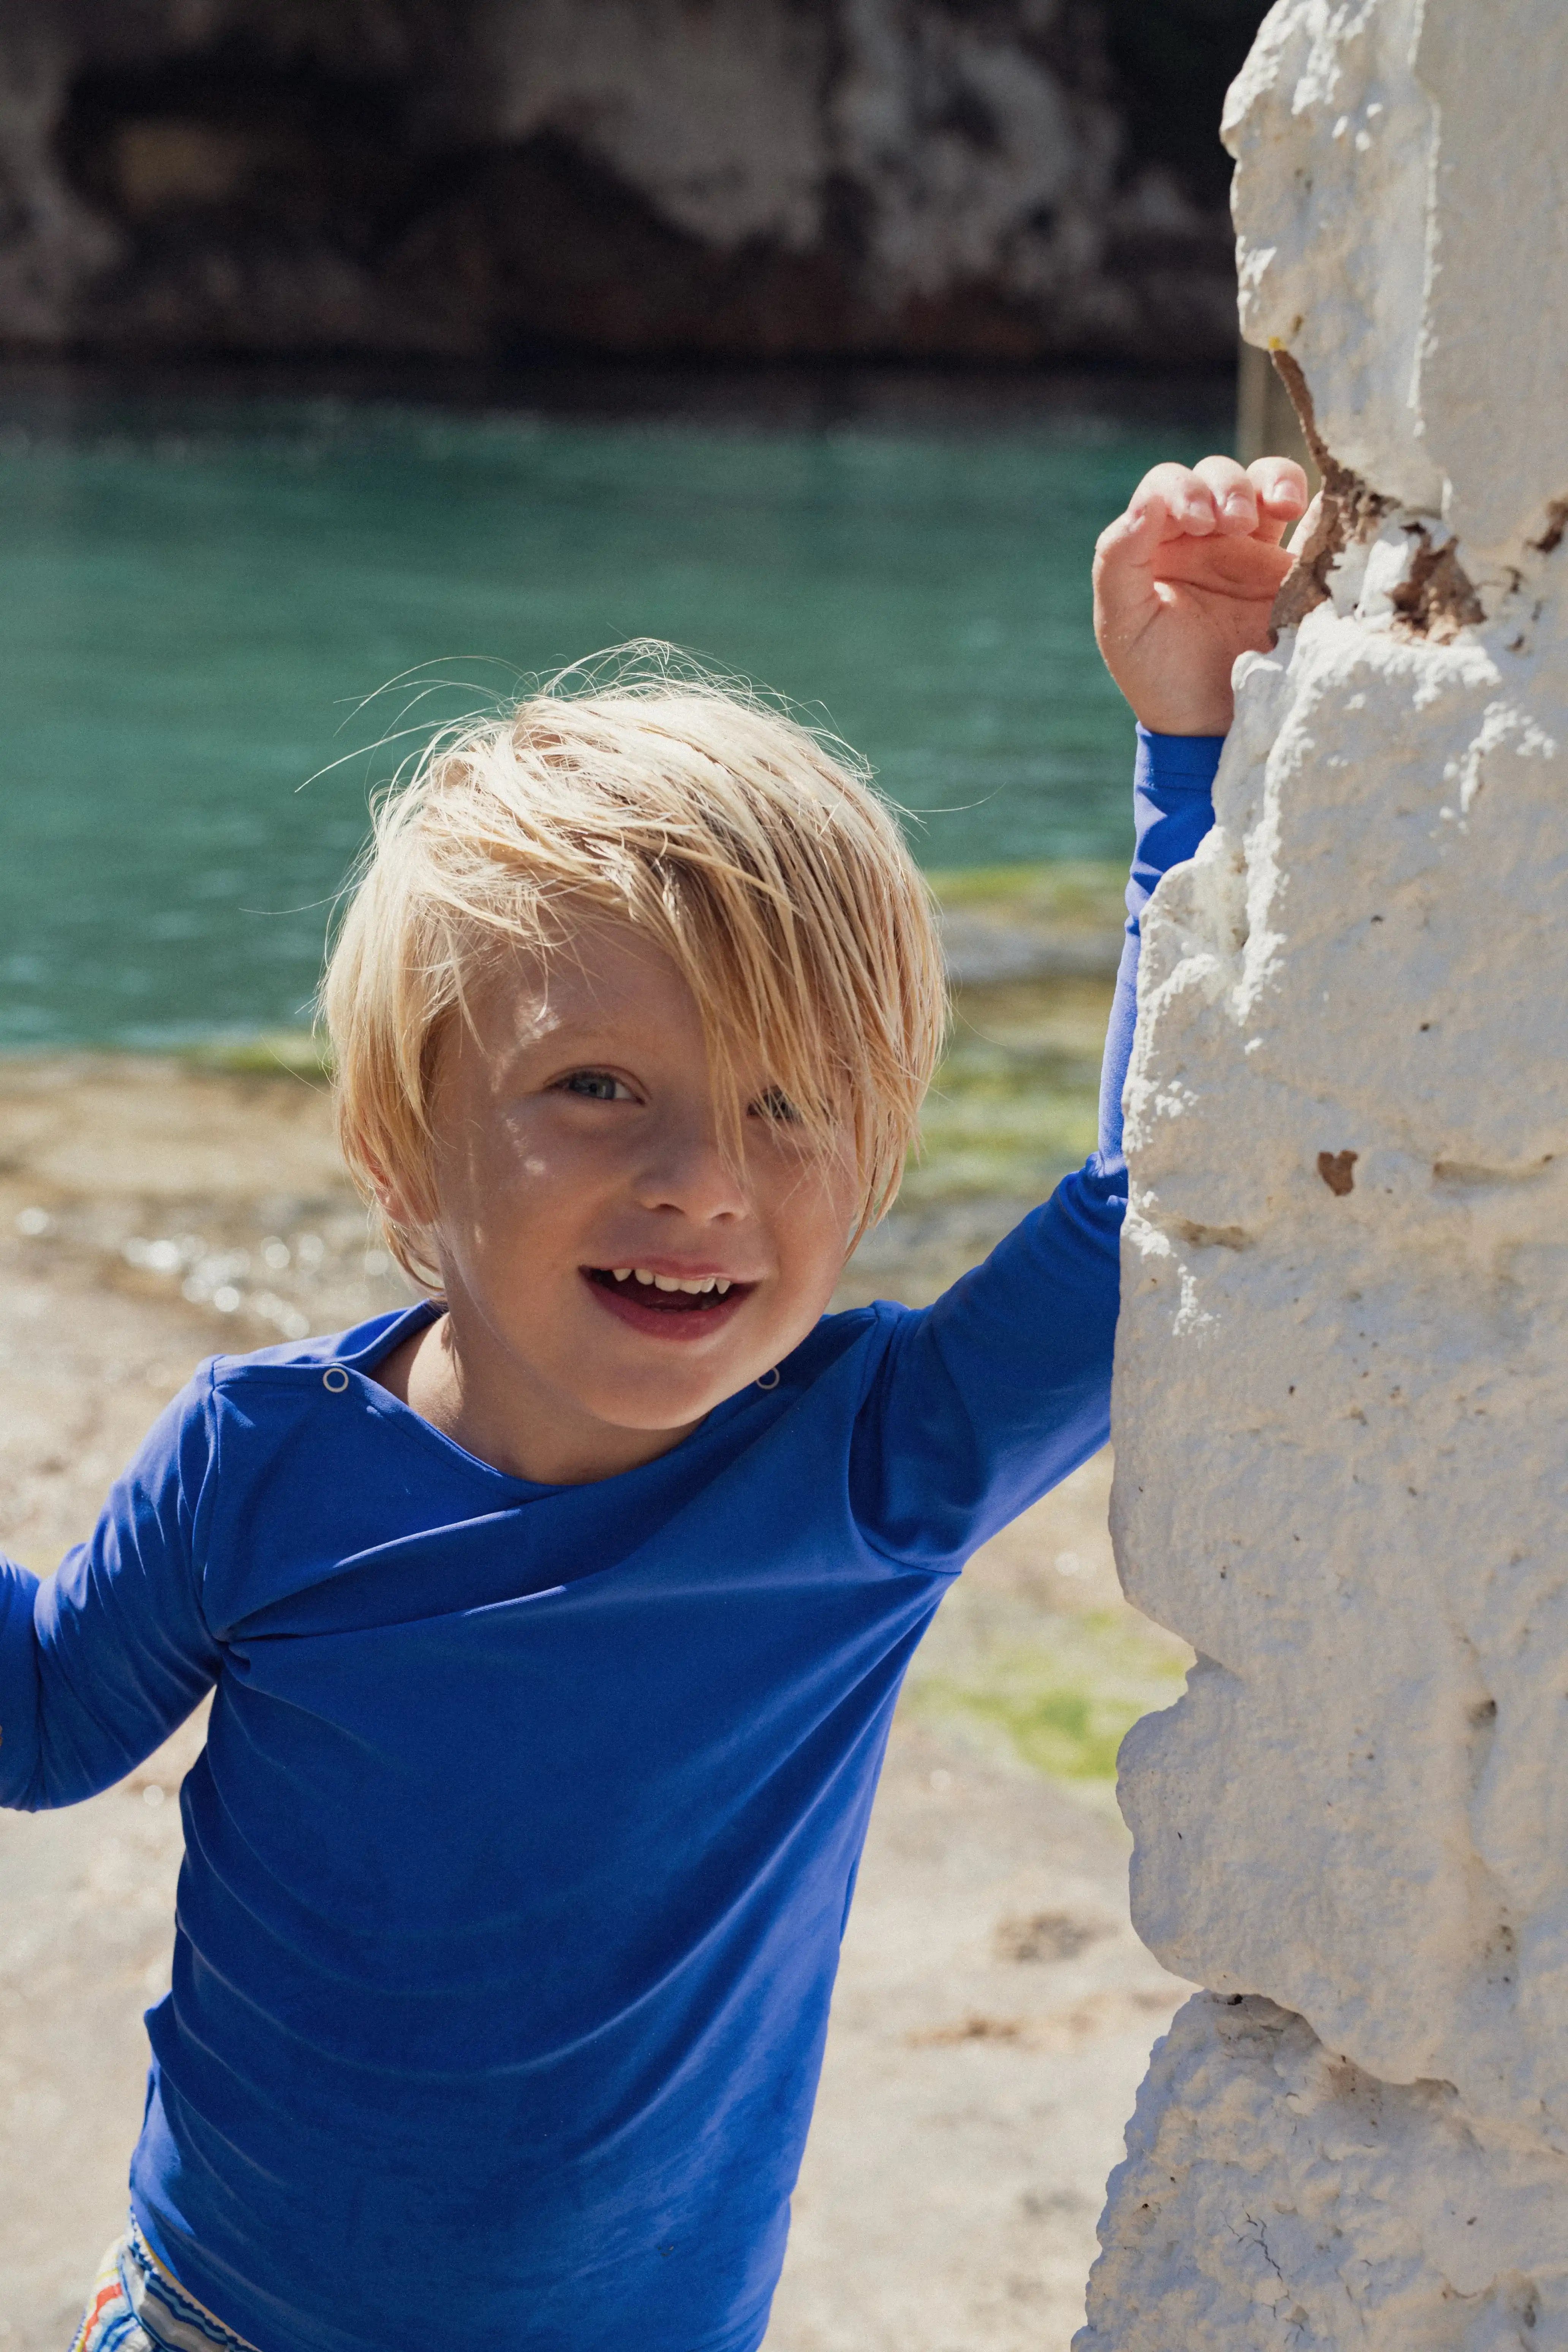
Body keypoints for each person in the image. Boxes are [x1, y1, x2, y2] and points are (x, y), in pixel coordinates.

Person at [9, 452, 1306, 2352]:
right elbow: (45, 1716)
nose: (705, 1176)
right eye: (595, 1089)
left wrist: (1184, 740)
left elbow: (1152, 1204)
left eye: (787, 1108)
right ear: (403, 1155)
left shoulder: (869, 1471)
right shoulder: (262, 1463)